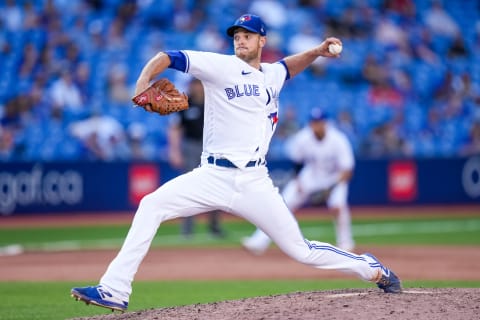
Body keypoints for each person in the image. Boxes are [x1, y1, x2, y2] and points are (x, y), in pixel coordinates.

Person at [70, 13, 402, 313]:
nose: (240, 39)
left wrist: (316, 50)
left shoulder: (272, 74)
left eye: (247, 34)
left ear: (262, 41)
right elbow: (166, 57)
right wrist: (142, 84)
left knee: (301, 250)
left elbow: (289, 67)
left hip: (255, 182)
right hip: (212, 175)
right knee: (152, 205)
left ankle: (370, 268)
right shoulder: (219, 66)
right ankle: (114, 289)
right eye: (236, 35)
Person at [242, 108, 356, 255]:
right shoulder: (303, 138)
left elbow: (347, 170)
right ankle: (258, 242)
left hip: (334, 178)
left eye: (319, 122)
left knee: (337, 205)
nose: (316, 125)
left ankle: (345, 243)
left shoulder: (338, 140)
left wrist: (331, 188)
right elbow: (296, 162)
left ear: (326, 123)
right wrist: (299, 182)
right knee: (282, 204)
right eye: (314, 122)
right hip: (311, 175)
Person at [167, 78, 225, 238]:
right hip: (191, 147)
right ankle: (187, 229)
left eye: (199, 84)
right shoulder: (184, 103)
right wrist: (174, 151)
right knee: (188, 188)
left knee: (215, 186)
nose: (196, 88)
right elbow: (174, 128)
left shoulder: (214, 102)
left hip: (212, 147)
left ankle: (214, 227)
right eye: (194, 85)